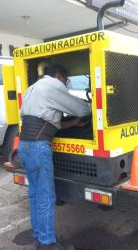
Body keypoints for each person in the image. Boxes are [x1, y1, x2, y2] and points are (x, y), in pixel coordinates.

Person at [18, 64, 91, 250]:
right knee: (46, 197)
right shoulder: (52, 85)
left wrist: (73, 123)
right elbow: (81, 109)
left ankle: (39, 238)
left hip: (24, 146)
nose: (65, 84)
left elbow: (49, 122)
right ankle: (48, 244)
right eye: (65, 80)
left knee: (35, 195)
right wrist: (94, 105)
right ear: (58, 75)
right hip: (38, 148)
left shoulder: (31, 89)